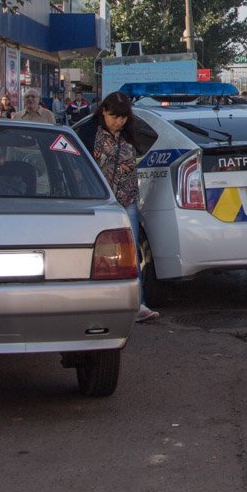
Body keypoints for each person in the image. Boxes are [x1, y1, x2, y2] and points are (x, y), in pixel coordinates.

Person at [91, 92, 158, 323]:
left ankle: (137, 303)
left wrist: (131, 115)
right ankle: (101, 303)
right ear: (103, 111)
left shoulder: (131, 134)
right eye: (113, 116)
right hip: (100, 202)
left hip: (127, 200)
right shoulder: (91, 132)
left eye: (122, 117)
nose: (118, 121)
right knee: (100, 254)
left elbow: (152, 136)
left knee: (129, 254)